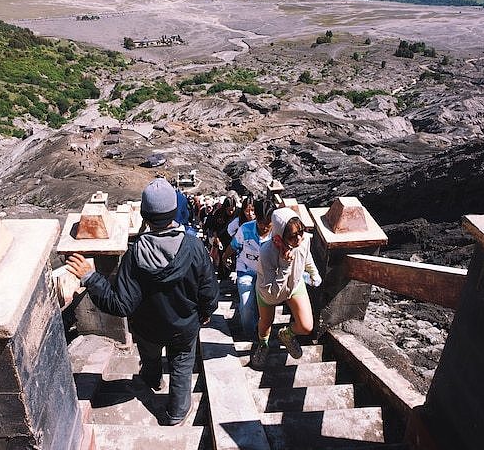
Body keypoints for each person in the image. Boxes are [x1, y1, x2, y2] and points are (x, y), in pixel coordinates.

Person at [65, 178, 219, 426]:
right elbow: (208, 289)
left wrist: (91, 277)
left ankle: (153, 380)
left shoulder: (134, 254)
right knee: (181, 366)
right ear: (174, 211)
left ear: (145, 216)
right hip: (184, 327)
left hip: (148, 329)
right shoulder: (194, 246)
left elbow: (121, 305)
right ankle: (176, 414)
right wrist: (206, 311)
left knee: (150, 358)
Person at [251, 207, 322, 369]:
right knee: (266, 322)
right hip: (269, 291)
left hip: (294, 284)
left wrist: (313, 272)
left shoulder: (303, 241)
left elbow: (306, 257)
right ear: (279, 235)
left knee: (306, 326)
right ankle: (263, 344)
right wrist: (285, 264)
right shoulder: (266, 252)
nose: (298, 239)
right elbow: (273, 295)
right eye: (292, 236)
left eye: (301, 232)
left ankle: (286, 335)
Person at [222, 198, 272, 341]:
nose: (264, 228)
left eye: (268, 224)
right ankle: (250, 336)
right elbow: (234, 245)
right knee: (245, 306)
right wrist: (225, 257)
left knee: (265, 307)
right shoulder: (245, 229)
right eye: (261, 223)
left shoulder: (277, 232)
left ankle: (263, 334)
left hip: (267, 274)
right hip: (245, 270)